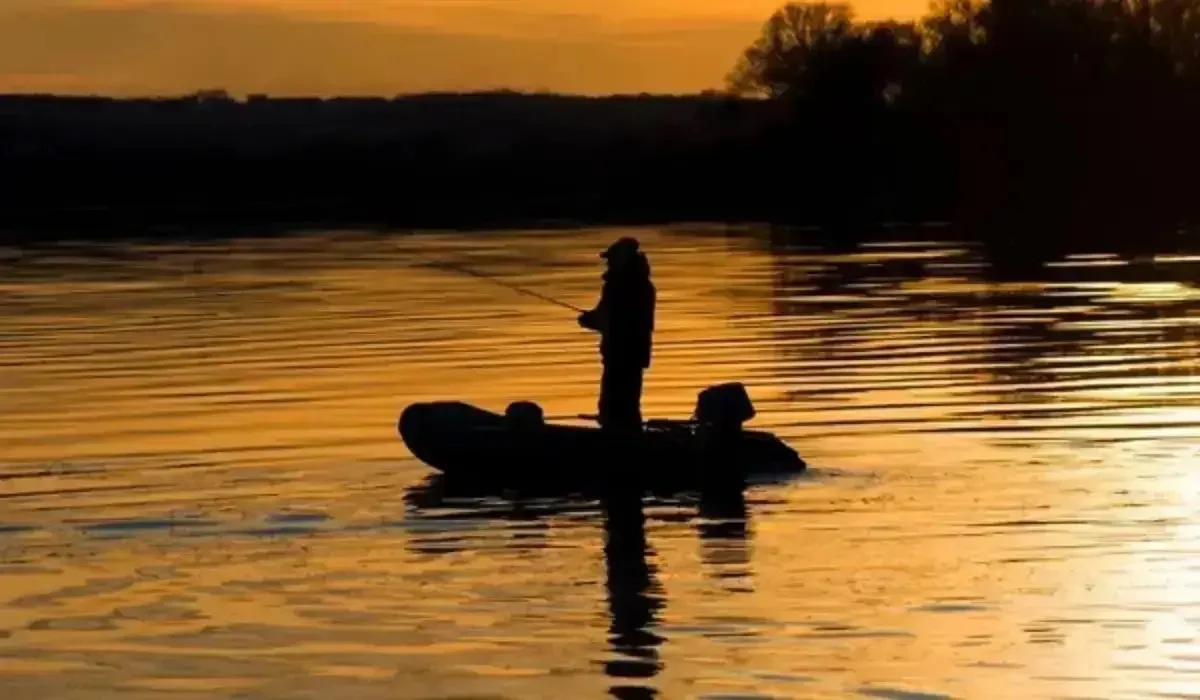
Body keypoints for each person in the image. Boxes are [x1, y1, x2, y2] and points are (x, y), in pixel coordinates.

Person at [578, 237, 656, 433]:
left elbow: (614, 320)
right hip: (632, 355)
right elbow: (612, 318)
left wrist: (589, 320)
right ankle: (626, 435)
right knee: (627, 404)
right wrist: (594, 319)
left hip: (621, 354)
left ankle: (618, 440)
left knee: (615, 405)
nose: (609, 263)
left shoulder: (619, 286)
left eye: (612, 259)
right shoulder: (642, 286)